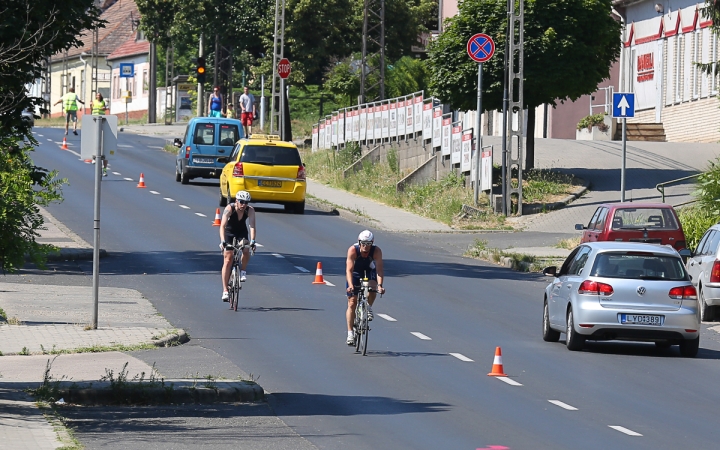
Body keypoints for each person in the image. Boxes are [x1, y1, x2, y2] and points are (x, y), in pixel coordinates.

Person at [345, 230, 385, 345]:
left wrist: (380, 285)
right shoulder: (353, 250)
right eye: (363, 243)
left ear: (372, 243)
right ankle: (350, 333)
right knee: (352, 302)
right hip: (355, 272)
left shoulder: (376, 251)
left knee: (373, 288)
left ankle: (368, 307)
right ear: (359, 242)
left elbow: (379, 270)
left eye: (368, 244)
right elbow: (349, 270)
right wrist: (351, 285)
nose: (366, 247)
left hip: (369, 270)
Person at [219, 190, 256, 302]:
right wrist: (223, 241)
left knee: (245, 249)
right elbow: (222, 226)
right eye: (241, 202)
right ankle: (225, 290)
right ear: (236, 201)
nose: (243, 204)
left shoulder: (250, 210)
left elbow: (252, 226)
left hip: (241, 232)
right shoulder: (229, 209)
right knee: (228, 259)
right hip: (229, 232)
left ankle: (243, 271)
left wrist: (253, 241)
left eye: (246, 202)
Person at [91, 93, 109, 176]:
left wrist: (104, 108)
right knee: (94, 138)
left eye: (99, 95)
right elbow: (92, 109)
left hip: (102, 120)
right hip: (94, 120)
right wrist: (90, 105)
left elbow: (106, 108)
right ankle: (94, 157)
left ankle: (104, 169)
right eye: (96, 95)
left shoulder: (103, 102)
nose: (97, 96)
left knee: (105, 149)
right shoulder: (94, 101)